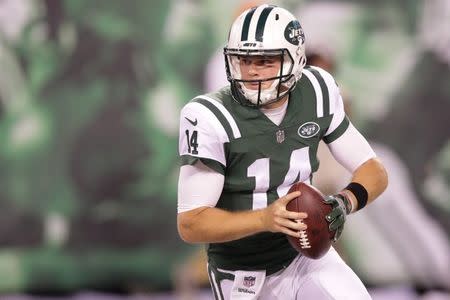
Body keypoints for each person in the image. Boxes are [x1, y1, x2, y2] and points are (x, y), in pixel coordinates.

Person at [177, 4, 388, 300]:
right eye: (243, 59)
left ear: (296, 60)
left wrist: (345, 202)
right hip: (240, 271)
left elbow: (373, 170)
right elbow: (191, 223)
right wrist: (265, 219)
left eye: (265, 61)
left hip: (304, 256)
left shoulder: (318, 89)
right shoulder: (208, 115)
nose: (251, 71)